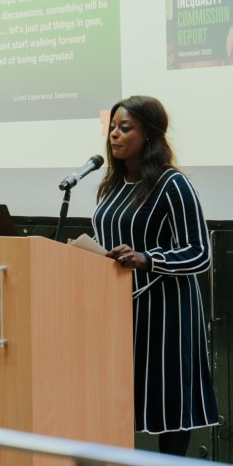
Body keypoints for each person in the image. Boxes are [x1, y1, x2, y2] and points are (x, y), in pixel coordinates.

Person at [92, 96, 218, 456]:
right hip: (119, 307)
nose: (114, 135)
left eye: (125, 128)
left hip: (167, 310)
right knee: (116, 395)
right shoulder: (112, 186)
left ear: (149, 134)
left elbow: (199, 252)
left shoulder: (171, 184)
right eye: (112, 127)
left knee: (170, 401)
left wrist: (148, 258)